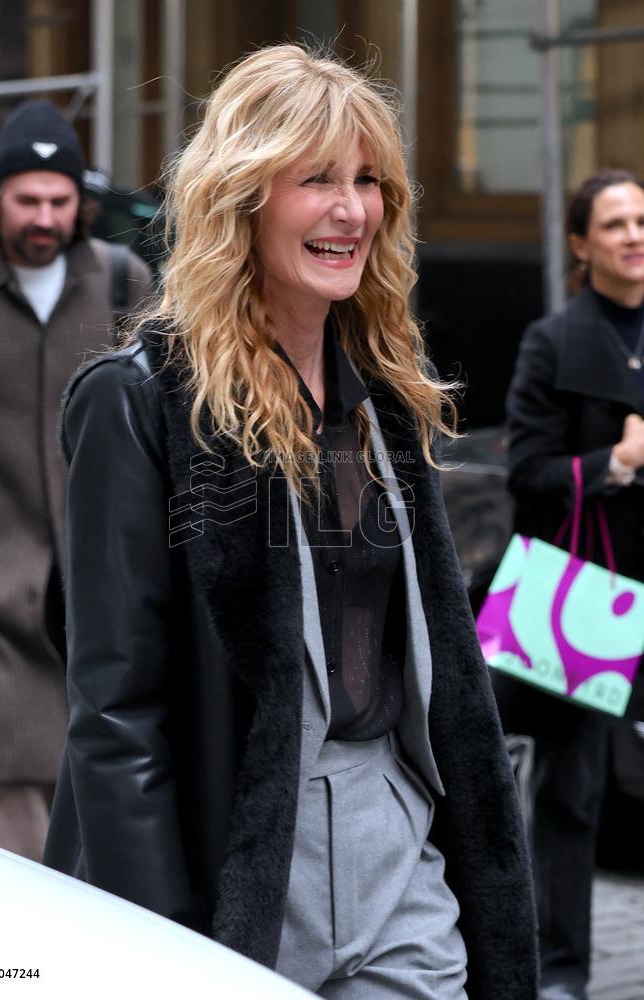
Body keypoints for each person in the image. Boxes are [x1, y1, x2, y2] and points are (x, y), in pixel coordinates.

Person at [44, 45, 537, 998]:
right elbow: (113, 709)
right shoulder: (139, 401)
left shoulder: (385, 398)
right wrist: (166, 951)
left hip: (393, 837)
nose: (351, 211)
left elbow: (434, 657)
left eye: (367, 181)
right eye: (315, 180)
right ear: (243, 198)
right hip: (239, 849)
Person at [0, 99, 152, 862]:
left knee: (99, 820)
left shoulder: (125, 283)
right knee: (5, 839)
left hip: (102, 596)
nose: (43, 217)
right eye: (27, 200)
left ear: (80, 205)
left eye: (59, 201)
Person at [496, 168, 644, 1000]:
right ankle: (559, 971)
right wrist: (614, 464)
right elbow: (526, 471)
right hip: (593, 595)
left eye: (642, 219)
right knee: (572, 790)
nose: (634, 235)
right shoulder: (555, 341)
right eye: (614, 224)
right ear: (583, 245)